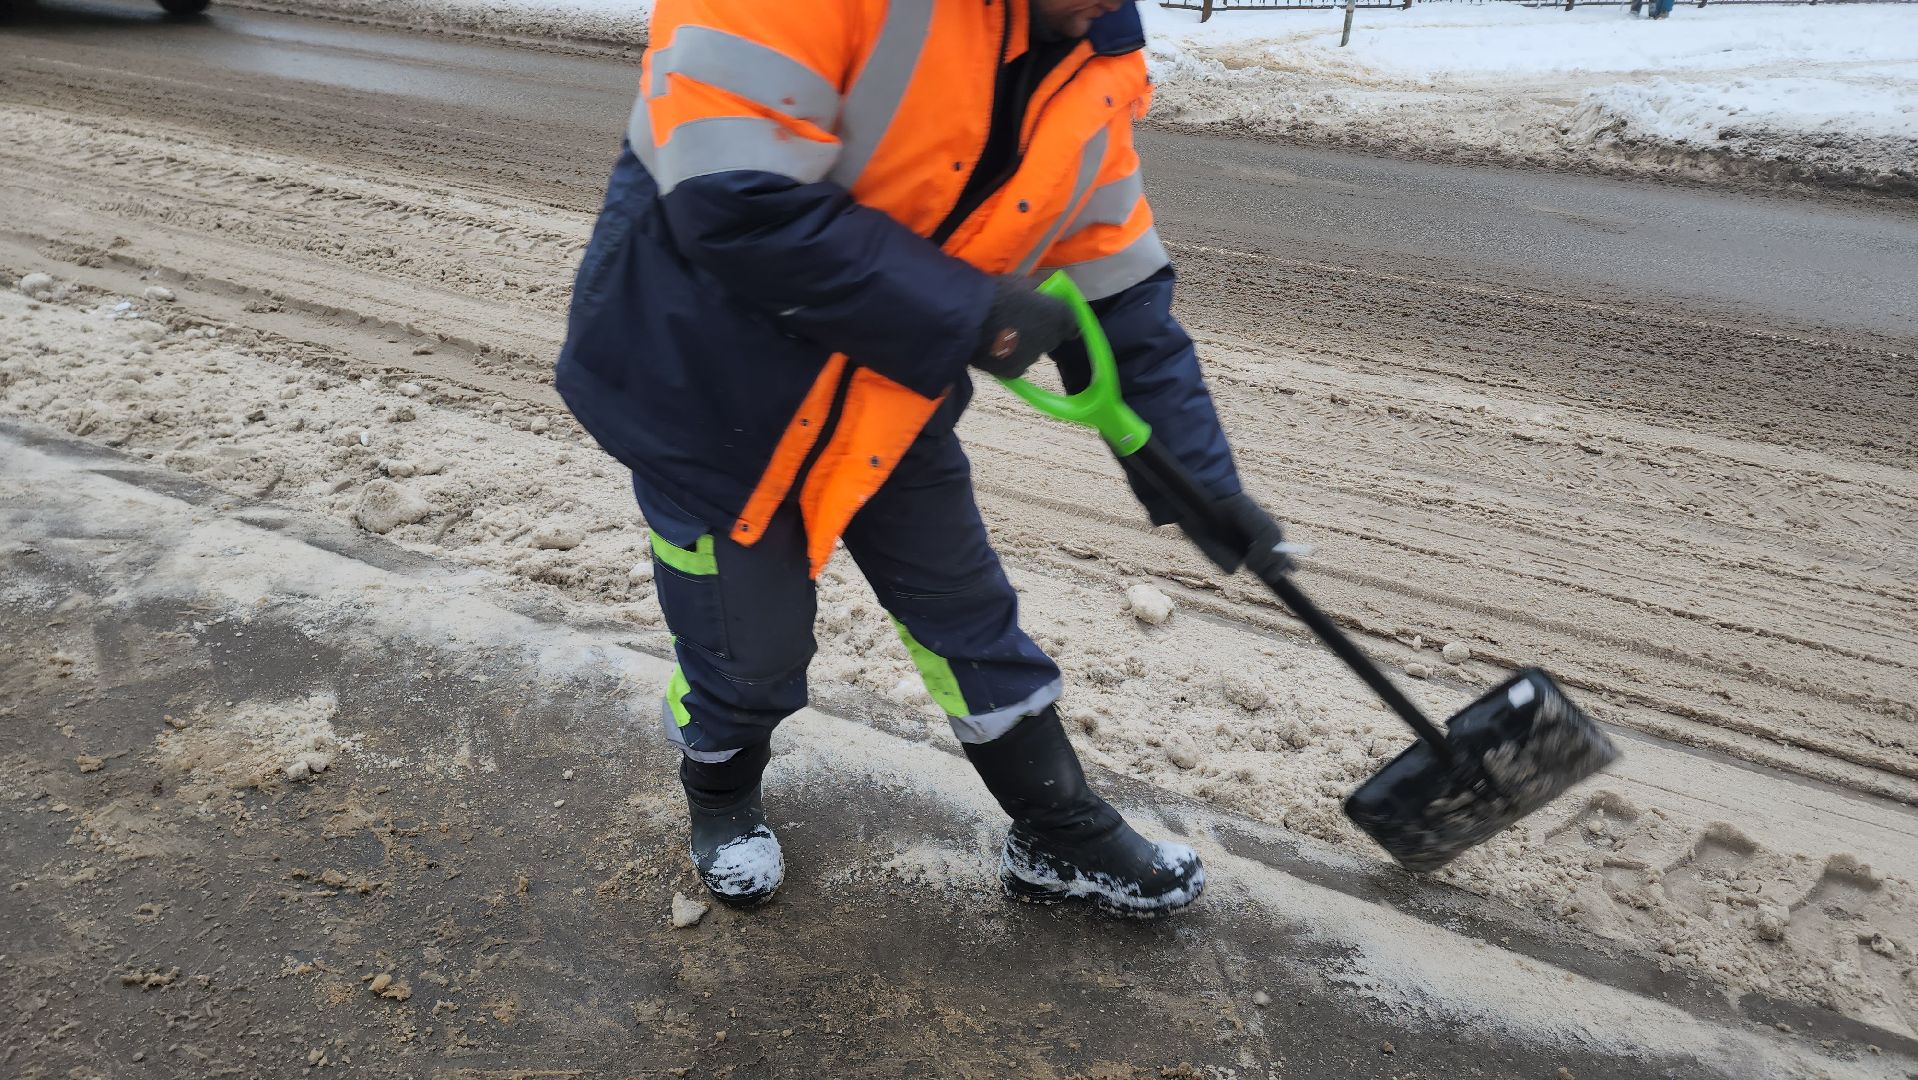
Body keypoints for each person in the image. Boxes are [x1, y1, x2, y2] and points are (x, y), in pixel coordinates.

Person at [555, 0, 1282, 918]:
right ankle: (721, 797)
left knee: (970, 613)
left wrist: (1203, 484)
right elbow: (732, 198)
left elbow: (1124, 295)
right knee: (749, 655)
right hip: (703, 386)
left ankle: (1058, 833)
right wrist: (971, 312)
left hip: (886, 387)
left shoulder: (1094, 69)